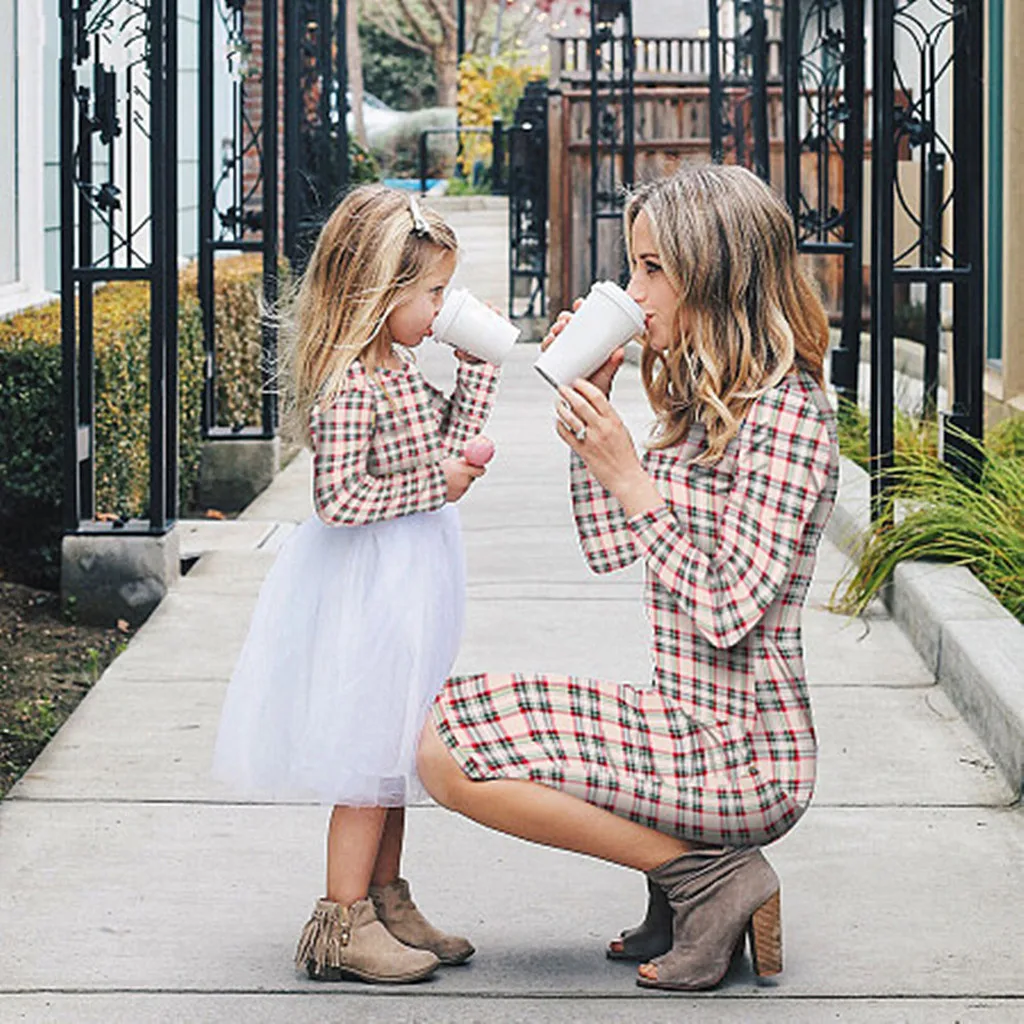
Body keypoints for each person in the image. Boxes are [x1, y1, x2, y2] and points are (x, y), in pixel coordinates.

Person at [418, 164, 839, 992]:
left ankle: (710, 879)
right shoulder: (701, 396)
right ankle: (684, 878)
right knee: (439, 721)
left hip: (743, 752)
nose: (632, 290)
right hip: (681, 719)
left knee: (449, 758)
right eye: (634, 266)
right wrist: (594, 427)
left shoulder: (789, 416)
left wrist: (631, 479)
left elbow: (727, 612)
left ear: (715, 275)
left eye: (652, 269)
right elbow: (612, 549)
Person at [212, 185, 501, 984]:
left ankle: (387, 900)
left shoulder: (400, 367)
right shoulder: (352, 386)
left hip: (411, 578)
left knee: (396, 750)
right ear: (379, 293)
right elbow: (338, 501)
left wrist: (476, 370)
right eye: (434, 293)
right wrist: (434, 487)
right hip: (371, 585)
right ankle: (341, 923)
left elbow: (447, 439)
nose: (444, 308)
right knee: (365, 754)